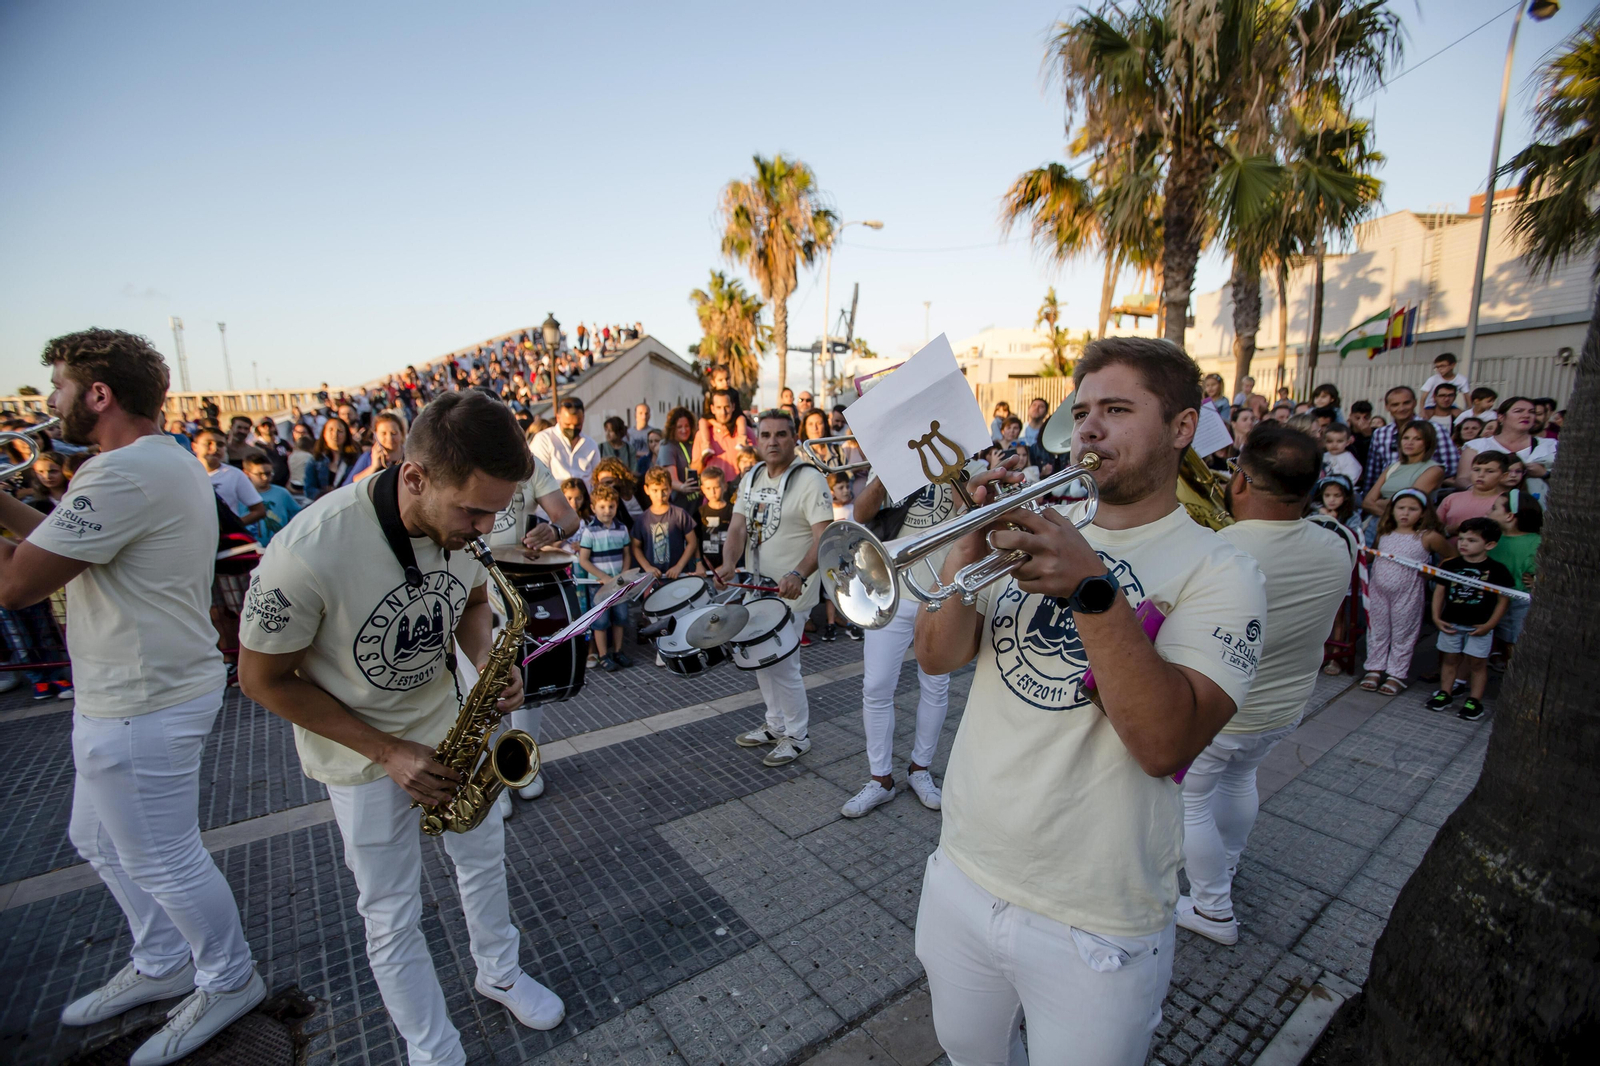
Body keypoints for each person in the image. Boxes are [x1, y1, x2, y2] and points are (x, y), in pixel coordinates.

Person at [912, 338, 1267, 1064]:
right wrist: (969, 543)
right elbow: (937, 655)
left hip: (1096, 913)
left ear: (1180, 427)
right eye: (1082, 413)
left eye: (1116, 409)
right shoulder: (1036, 531)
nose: (1090, 430)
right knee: (967, 1052)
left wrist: (1090, 588)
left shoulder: (1222, 569)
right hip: (964, 872)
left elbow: (1165, 743)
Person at [237, 390, 566, 1064]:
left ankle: (499, 971)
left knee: (483, 864)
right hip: (361, 758)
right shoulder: (307, 553)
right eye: (473, 511)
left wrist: (484, 659)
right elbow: (260, 679)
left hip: (451, 726)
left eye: (496, 511)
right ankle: (431, 1048)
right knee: (390, 913)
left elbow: (475, 599)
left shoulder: (466, 525)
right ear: (414, 477)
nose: (484, 528)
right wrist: (387, 751)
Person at [0, 329, 263, 1064]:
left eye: (56, 386)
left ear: (98, 394)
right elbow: (55, 545)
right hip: (131, 691)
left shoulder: (123, 473)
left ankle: (228, 975)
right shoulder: (149, 462)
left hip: (143, 699)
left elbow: (16, 581)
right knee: (100, 841)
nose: (48, 403)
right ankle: (161, 960)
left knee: (163, 858)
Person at [1178, 424, 1356, 945]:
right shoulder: (1340, 541)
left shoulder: (1215, 549)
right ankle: (1226, 868)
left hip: (1220, 711)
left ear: (1241, 481)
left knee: (1190, 802)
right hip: (1283, 707)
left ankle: (1212, 907)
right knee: (1237, 783)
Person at [714, 409, 833, 767]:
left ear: (793, 438)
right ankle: (775, 724)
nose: (772, 441)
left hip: (792, 590)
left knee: (783, 665)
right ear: (756, 439)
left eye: (781, 434)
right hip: (758, 587)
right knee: (762, 662)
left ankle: (797, 736)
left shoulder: (811, 480)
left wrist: (798, 573)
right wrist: (728, 562)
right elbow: (736, 528)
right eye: (766, 435)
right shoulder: (750, 477)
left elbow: (824, 537)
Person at [839, 472, 961, 818]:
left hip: (939, 591)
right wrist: (883, 474)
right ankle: (881, 779)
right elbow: (860, 515)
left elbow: (968, 512)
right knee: (876, 687)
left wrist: (955, 471)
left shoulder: (964, 454)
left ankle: (920, 770)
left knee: (936, 685)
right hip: (888, 590)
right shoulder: (892, 456)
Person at [1360, 490, 1451, 696]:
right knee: (1377, 629)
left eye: (1412, 509)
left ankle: (1396, 675)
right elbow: (1373, 555)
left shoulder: (1428, 537)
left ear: (1423, 512)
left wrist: (1431, 574)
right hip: (1378, 589)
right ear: (1392, 510)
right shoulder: (1385, 532)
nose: (1405, 513)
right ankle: (1374, 669)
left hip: (1408, 592)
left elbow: (1451, 557)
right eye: (1401, 508)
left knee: (1403, 632)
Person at [1426, 517, 1513, 722]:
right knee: (1449, 659)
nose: (1463, 543)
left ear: (1489, 544)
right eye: (1461, 538)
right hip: (1450, 622)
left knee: (1477, 663)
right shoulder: (1450, 565)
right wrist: (1436, 617)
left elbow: (1503, 601)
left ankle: (1474, 700)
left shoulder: (1498, 570)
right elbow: (1439, 592)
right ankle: (1445, 693)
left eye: (1471, 540)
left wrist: (1490, 625)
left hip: (1480, 625)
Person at [577, 485, 634, 673]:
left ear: (616, 506)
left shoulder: (622, 529)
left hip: (619, 583)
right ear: (593, 508)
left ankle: (618, 651)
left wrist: (624, 575)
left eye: (611, 506)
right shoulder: (590, 532)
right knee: (600, 621)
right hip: (599, 585)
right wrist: (603, 577)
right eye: (602, 507)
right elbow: (583, 560)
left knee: (621, 617)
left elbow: (627, 553)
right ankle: (603, 655)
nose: (607, 511)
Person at [1463, 396, 1556, 502]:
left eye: (1531, 412)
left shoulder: (1550, 446)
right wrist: (1480, 492)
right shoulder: (1477, 446)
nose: (1526, 415)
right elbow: (1462, 478)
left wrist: (1545, 474)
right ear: (1501, 417)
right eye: (1518, 411)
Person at [1486, 489, 1541, 671]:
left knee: (1515, 639)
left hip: (1518, 601)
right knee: (1500, 636)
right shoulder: (1490, 538)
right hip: (1489, 598)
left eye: (1494, 509)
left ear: (1509, 516)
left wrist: (1537, 583)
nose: (1488, 512)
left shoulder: (1536, 542)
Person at [1364, 387, 1458, 491]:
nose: (1401, 408)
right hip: (1385, 493)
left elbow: (1452, 468)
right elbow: (1373, 473)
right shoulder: (1380, 434)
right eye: (1395, 405)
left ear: (1415, 403)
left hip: (1423, 494)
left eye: (1406, 403)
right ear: (1387, 407)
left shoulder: (1436, 429)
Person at [1362, 421, 1444, 531]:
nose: (1409, 443)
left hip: (1411, 529)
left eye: (1417, 439)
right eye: (1406, 438)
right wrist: (1389, 513)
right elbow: (1367, 502)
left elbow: (1408, 502)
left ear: (1427, 443)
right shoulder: (1393, 467)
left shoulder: (1434, 469)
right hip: (1379, 524)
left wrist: (1379, 503)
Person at [631, 467, 700, 584]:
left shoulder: (680, 514)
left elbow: (692, 542)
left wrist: (679, 566)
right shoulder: (642, 519)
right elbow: (635, 546)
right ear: (646, 490)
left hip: (677, 576)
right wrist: (647, 567)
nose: (660, 495)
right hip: (652, 579)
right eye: (655, 490)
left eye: (664, 490)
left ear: (670, 488)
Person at [191, 429, 267, 527]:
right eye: (208, 443)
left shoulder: (234, 475)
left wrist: (232, 526)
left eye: (220, 444)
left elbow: (259, 510)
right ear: (194, 446)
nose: (214, 448)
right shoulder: (183, 473)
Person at [1437, 450, 1512, 538]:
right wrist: (1450, 530)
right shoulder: (1451, 499)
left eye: (1490, 471)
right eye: (1476, 470)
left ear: (1504, 476)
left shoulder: (1506, 501)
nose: (1481, 475)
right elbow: (1433, 529)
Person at [530, 397, 599, 487]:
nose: (572, 428)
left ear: (583, 419)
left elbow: (596, 478)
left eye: (577, 425)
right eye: (567, 424)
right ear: (558, 418)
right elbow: (538, 477)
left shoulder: (591, 444)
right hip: (554, 498)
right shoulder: (544, 440)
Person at [694, 389, 753, 484]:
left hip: (739, 492)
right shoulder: (702, 435)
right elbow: (695, 470)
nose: (723, 412)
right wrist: (702, 460)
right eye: (719, 407)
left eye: (726, 407)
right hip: (713, 494)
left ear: (733, 407)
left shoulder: (747, 432)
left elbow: (759, 464)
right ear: (712, 409)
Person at [243, 455, 300, 547]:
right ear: (246, 473)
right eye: (259, 474)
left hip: (277, 546)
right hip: (249, 548)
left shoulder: (282, 493)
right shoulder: (241, 496)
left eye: (268, 473)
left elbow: (297, 517)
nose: (265, 478)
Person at [304, 417, 361, 499]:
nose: (335, 434)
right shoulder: (315, 460)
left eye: (340, 431)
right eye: (331, 430)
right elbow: (309, 489)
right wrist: (325, 494)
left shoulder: (355, 458)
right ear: (324, 433)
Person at [655, 406, 701, 509]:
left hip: (698, 499)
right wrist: (682, 487)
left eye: (687, 426)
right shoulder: (667, 446)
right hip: (679, 502)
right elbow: (671, 478)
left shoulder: (694, 442)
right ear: (672, 428)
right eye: (679, 427)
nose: (684, 430)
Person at [349, 412, 407, 484]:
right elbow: (351, 483)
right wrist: (373, 467)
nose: (389, 438)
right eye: (383, 433)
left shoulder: (411, 456)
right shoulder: (367, 457)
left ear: (402, 433)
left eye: (394, 433)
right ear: (376, 435)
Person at [696, 466, 735, 573]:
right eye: (708, 488)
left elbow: (738, 539)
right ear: (703, 489)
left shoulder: (734, 512)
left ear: (725, 487)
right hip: (705, 569)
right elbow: (695, 540)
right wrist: (698, 563)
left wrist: (728, 563)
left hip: (730, 568)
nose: (712, 492)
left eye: (716, 487)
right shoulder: (699, 512)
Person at [252, 418, 292, 486]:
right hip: (268, 482)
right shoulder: (256, 446)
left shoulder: (283, 443)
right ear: (259, 428)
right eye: (264, 426)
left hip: (286, 481)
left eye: (269, 425)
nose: (267, 428)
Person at [628, 402, 656, 475]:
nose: (644, 416)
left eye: (646, 413)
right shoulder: (628, 433)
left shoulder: (653, 433)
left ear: (649, 415)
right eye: (640, 413)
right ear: (635, 415)